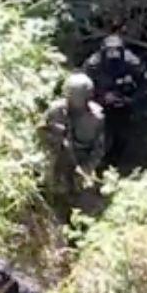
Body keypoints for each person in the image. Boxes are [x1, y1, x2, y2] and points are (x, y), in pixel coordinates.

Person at [39, 72, 106, 211]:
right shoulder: (55, 111)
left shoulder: (96, 117)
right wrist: (55, 142)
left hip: (81, 162)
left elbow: (99, 148)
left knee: (87, 200)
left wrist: (87, 168)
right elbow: (41, 132)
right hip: (57, 158)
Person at [82, 34, 147, 166]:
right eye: (109, 51)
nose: (113, 55)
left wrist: (130, 99)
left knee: (123, 135)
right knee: (97, 134)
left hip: (126, 104)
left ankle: (116, 161)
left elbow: (145, 85)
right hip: (98, 105)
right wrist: (101, 97)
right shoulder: (93, 65)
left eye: (116, 51)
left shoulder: (132, 63)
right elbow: (83, 88)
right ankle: (95, 161)